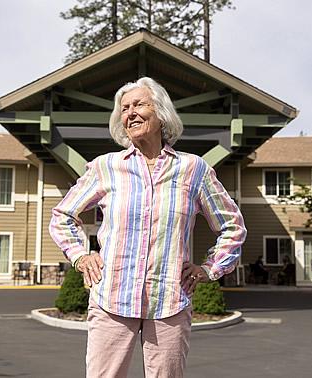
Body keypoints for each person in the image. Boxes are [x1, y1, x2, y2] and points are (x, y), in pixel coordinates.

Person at [49, 77, 247, 377]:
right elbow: (62, 215)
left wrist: (209, 269)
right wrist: (81, 255)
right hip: (111, 300)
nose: (130, 112)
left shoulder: (194, 170)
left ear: (161, 112)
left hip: (169, 302)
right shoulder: (106, 167)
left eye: (139, 104)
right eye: (124, 108)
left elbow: (232, 226)